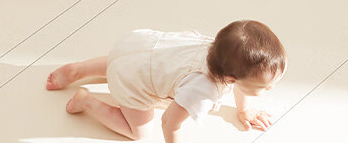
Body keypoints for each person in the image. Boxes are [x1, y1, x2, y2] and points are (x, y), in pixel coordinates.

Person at [46, 20, 286, 142]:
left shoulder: (221, 51)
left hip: (136, 48)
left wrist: (243, 110)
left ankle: (78, 70)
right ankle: (86, 102)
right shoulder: (203, 89)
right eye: (265, 87)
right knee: (139, 133)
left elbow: (239, 80)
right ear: (232, 79)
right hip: (133, 80)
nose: (272, 88)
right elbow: (170, 122)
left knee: (124, 64)